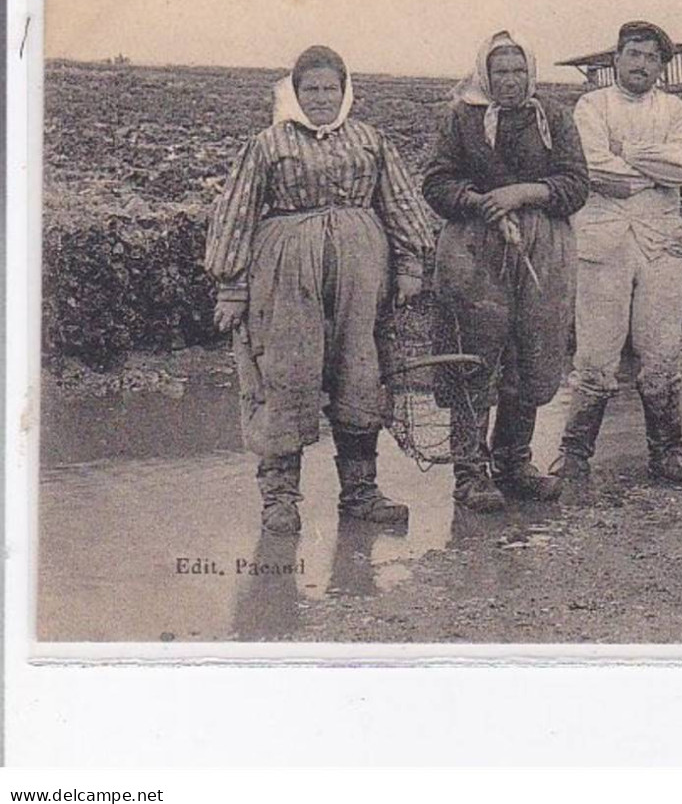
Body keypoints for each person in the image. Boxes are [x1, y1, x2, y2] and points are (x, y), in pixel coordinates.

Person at [205, 45, 434, 535]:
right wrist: (232, 286)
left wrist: (411, 264)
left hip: (361, 278)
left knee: (359, 374)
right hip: (286, 278)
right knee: (285, 374)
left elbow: (399, 202)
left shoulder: (370, 140)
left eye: (331, 88)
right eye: (312, 88)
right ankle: (280, 499)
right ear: (294, 91)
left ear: (345, 91)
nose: (322, 98)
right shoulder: (268, 144)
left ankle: (360, 492)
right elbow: (237, 213)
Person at [422, 31, 589, 512]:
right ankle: (470, 473)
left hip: (542, 247)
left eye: (519, 71)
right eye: (501, 72)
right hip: (474, 248)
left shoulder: (552, 115)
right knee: (471, 353)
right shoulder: (462, 117)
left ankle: (514, 462)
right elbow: (436, 182)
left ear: (530, 74)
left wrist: (525, 193)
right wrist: (479, 202)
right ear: (484, 74)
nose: (511, 81)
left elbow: (576, 183)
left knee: (530, 351)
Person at [551, 21, 682, 484]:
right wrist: (653, 170)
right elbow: (593, 166)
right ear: (617, 58)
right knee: (596, 354)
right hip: (604, 242)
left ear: (661, 65)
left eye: (652, 57)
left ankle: (667, 451)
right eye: (633, 54)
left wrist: (629, 152)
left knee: (660, 350)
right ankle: (574, 453)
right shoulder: (592, 105)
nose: (642, 65)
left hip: (660, 243)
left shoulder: (674, 109)